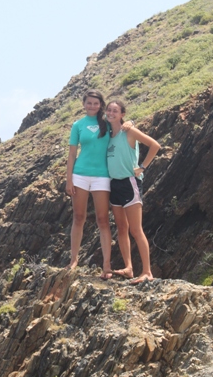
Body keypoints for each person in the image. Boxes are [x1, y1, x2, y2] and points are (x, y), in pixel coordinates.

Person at [105, 100, 160, 284]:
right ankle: (129, 268)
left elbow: (154, 145)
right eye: (109, 110)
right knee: (122, 228)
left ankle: (147, 272)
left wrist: (142, 167)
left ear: (122, 114)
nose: (111, 113)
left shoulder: (129, 131)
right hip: (114, 185)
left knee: (136, 229)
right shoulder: (107, 135)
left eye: (115, 110)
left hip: (130, 183)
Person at [66, 90, 112, 278]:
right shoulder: (78, 125)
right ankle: (73, 260)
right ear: (84, 104)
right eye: (89, 103)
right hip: (80, 175)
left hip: (102, 176)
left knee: (103, 220)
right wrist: (69, 179)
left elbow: (125, 128)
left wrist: (130, 124)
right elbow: (72, 154)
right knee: (78, 217)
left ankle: (107, 265)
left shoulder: (108, 123)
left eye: (96, 103)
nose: (92, 106)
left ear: (101, 105)